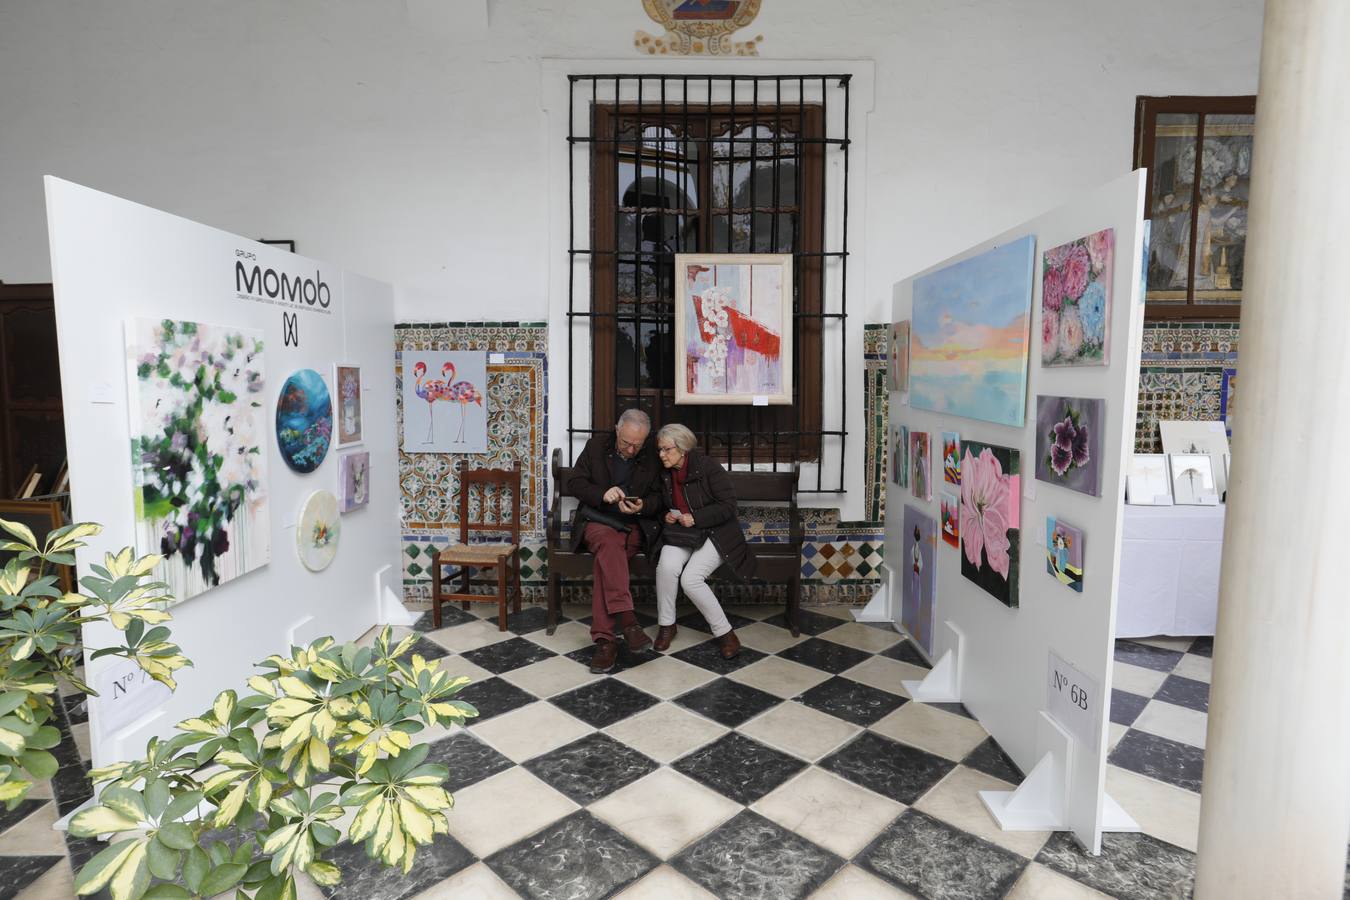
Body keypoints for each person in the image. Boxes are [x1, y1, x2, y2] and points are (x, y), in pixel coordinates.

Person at [567, 409, 663, 673]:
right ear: (617, 430)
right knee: (609, 545)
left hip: (632, 526)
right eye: (626, 443)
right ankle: (628, 622)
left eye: (637, 444)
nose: (631, 449)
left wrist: (643, 505)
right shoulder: (596, 447)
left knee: (606, 560)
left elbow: (660, 498)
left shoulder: (651, 456)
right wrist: (602, 493)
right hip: (597, 521)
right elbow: (575, 483)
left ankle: (604, 642)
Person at [650, 423, 755, 658]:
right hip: (683, 532)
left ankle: (725, 633)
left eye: (666, 449)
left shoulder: (708, 467)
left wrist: (695, 517)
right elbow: (661, 503)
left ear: (682, 448)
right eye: (660, 450)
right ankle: (667, 625)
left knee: (691, 579)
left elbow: (728, 506)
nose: (661, 455)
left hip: (716, 532)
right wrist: (666, 514)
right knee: (666, 567)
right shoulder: (665, 472)